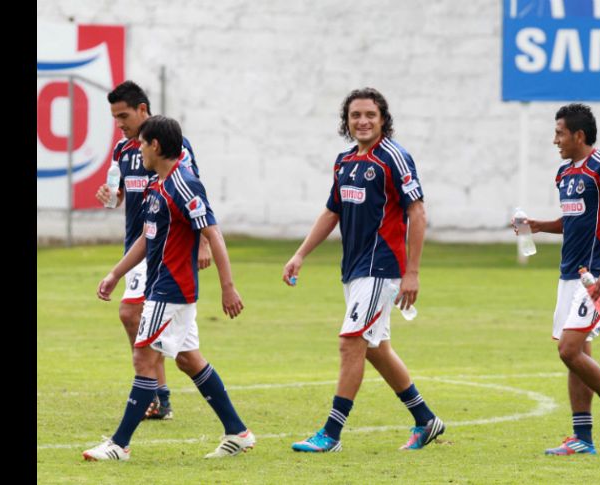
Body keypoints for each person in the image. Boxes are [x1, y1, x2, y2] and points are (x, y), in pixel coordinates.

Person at [282, 87, 444, 452]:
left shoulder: (395, 158)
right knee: (376, 348)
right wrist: (300, 254)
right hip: (355, 268)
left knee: (351, 341)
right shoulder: (344, 162)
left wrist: (412, 272)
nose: (363, 121)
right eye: (355, 115)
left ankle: (331, 434)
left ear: (383, 118)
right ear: (347, 121)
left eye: (370, 114)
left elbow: (417, 212)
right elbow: (332, 211)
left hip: (381, 267)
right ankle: (426, 420)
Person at [83, 116, 253, 461]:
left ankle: (119, 444)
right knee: (189, 360)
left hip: (170, 288)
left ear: (156, 145)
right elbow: (147, 241)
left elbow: (213, 234)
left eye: (143, 144)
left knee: (144, 357)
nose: (139, 150)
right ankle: (238, 432)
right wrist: (115, 274)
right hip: (165, 286)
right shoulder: (157, 186)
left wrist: (228, 287)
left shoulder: (184, 184)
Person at [514, 103, 600, 455]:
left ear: (578, 135)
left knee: (568, 350)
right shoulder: (565, 174)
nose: (555, 140)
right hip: (568, 275)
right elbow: (573, 221)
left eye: (560, 133)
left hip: (595, 276)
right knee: (578, 352)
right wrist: (538, 226)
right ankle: (582, 438)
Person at [95, 80, 211, 420]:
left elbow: (195, 194)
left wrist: (203, 240)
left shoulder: (174, 146)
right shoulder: (122, 151)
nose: (120, 124)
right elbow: (118, 195)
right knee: (182, 350)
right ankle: (159, 396)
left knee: (131, 315)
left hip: (163, 251)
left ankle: (153, 395)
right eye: (115, 118)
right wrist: (110, 198)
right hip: (136, 247)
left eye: (124, 116)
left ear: (143, 110)